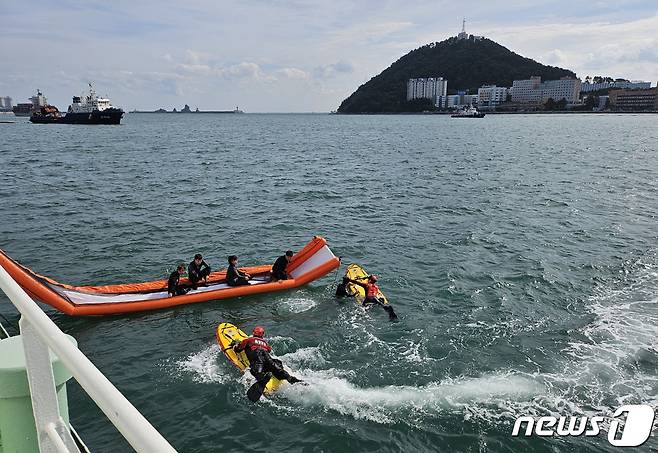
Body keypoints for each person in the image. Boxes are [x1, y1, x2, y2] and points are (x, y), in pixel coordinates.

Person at [233, 326, 302, 384]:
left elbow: (238, 349)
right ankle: (289, 378)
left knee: (257, 371)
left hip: (257, 356)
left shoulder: (249, 340)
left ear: (253, 332)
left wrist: (235, 346)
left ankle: (262, 379)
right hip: (267, 357)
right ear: (262, 334)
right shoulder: (265, 343)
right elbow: (269, 350)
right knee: (274, 367)